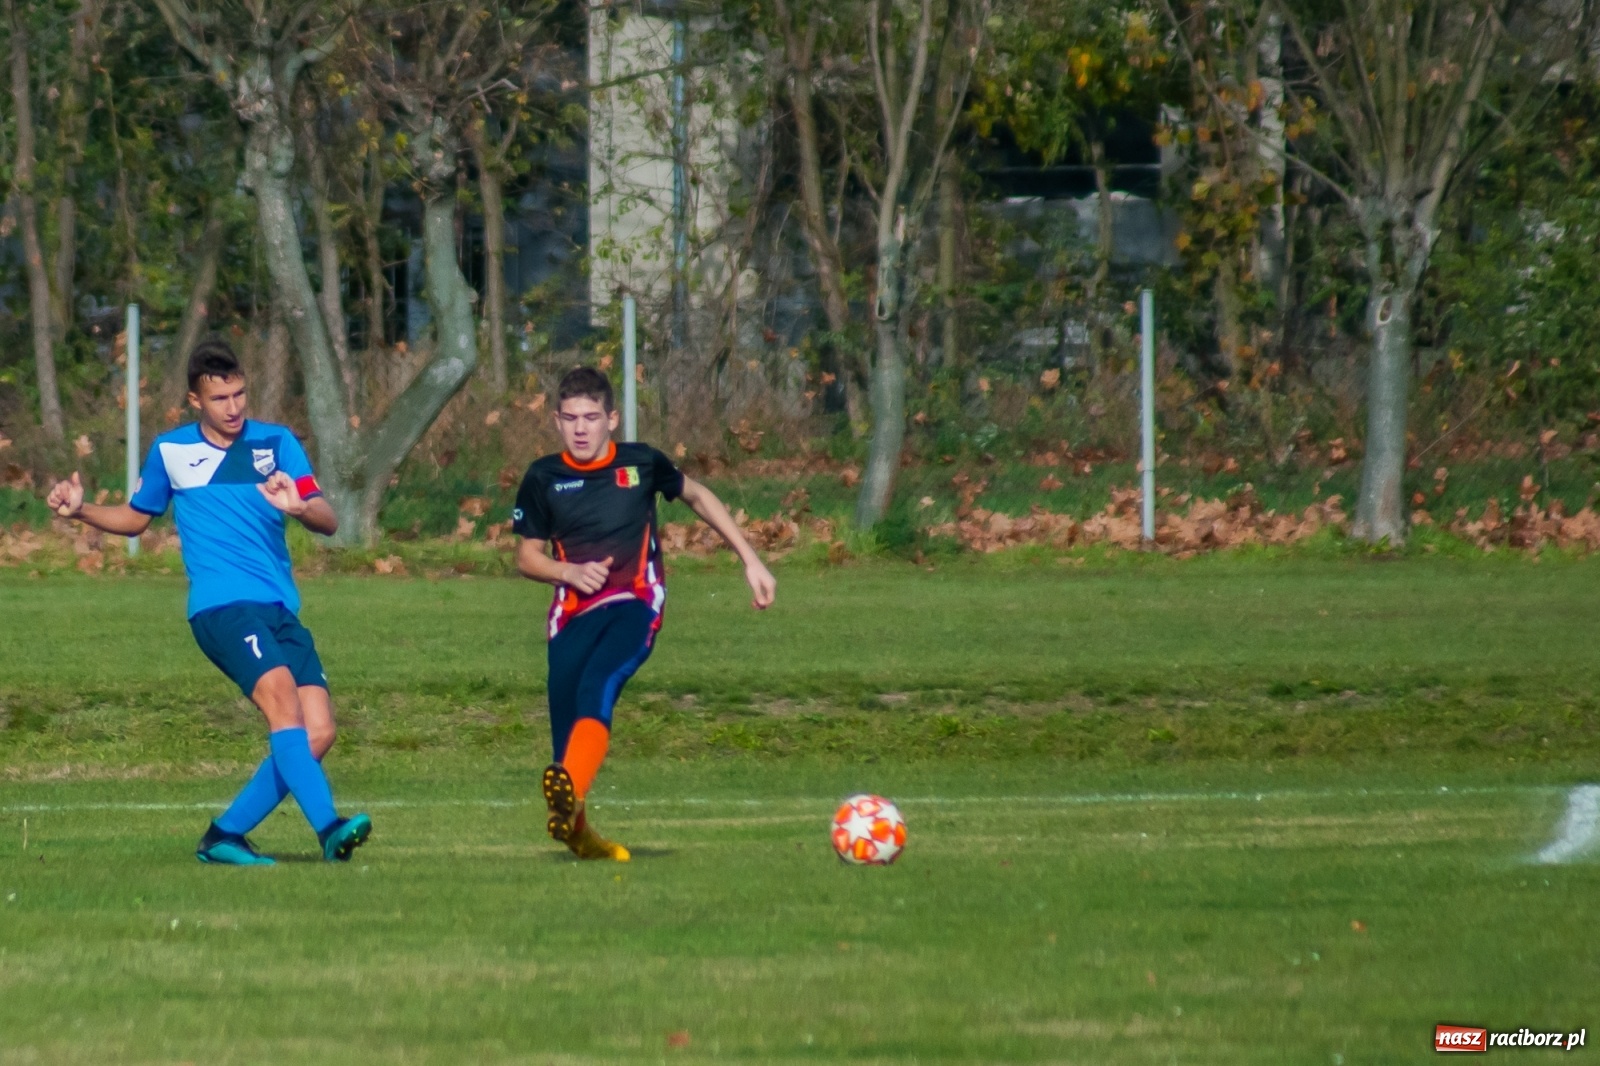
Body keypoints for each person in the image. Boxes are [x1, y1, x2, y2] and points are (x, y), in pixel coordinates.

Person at [46, 340, 371, 866]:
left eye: (241, 394)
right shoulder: (171, 451)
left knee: (319, 730)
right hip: (222, 608)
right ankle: (330, 828)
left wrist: (299, 508)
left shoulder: (277, 442)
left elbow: (328, 519)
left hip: (279, 608)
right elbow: (135, 518)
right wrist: (81, 512)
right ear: (196, 400)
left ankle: (224, 836)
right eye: (220, 398)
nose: (235, 407)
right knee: (282, 704)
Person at [513, 366, 776, 861]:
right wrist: (568, 574)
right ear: (556, 421)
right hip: (570, 617)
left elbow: (698, 496)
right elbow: (527, 557)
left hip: (634, 603)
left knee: (598, 689)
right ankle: (578, 832)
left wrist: (751, 558)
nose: (581, 428)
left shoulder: (641, 463)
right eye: (570, 418)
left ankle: (570, 795)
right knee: (567, 745)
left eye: (592, 417)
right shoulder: (543, 477)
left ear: (612, 418)